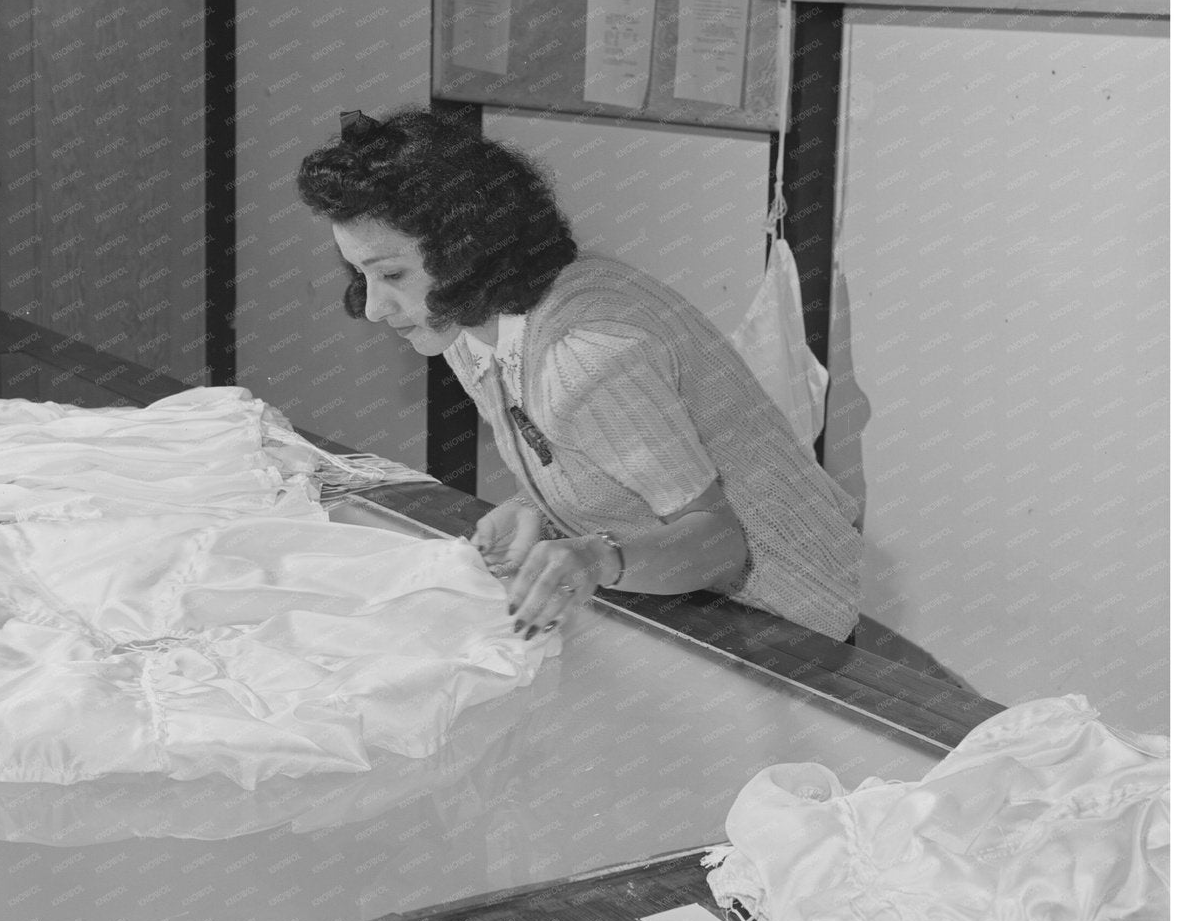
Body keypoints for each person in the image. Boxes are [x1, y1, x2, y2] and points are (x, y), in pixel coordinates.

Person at [296, 106, 862, 642]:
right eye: (361, 274)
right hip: (687, 600)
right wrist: (531, 509)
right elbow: (590, 455)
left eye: (392, 274)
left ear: (467, 251)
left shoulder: (585, 356)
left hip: (786, 618)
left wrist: (596, 558)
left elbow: (718, 545)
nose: (373, 309)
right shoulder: (472, 331)